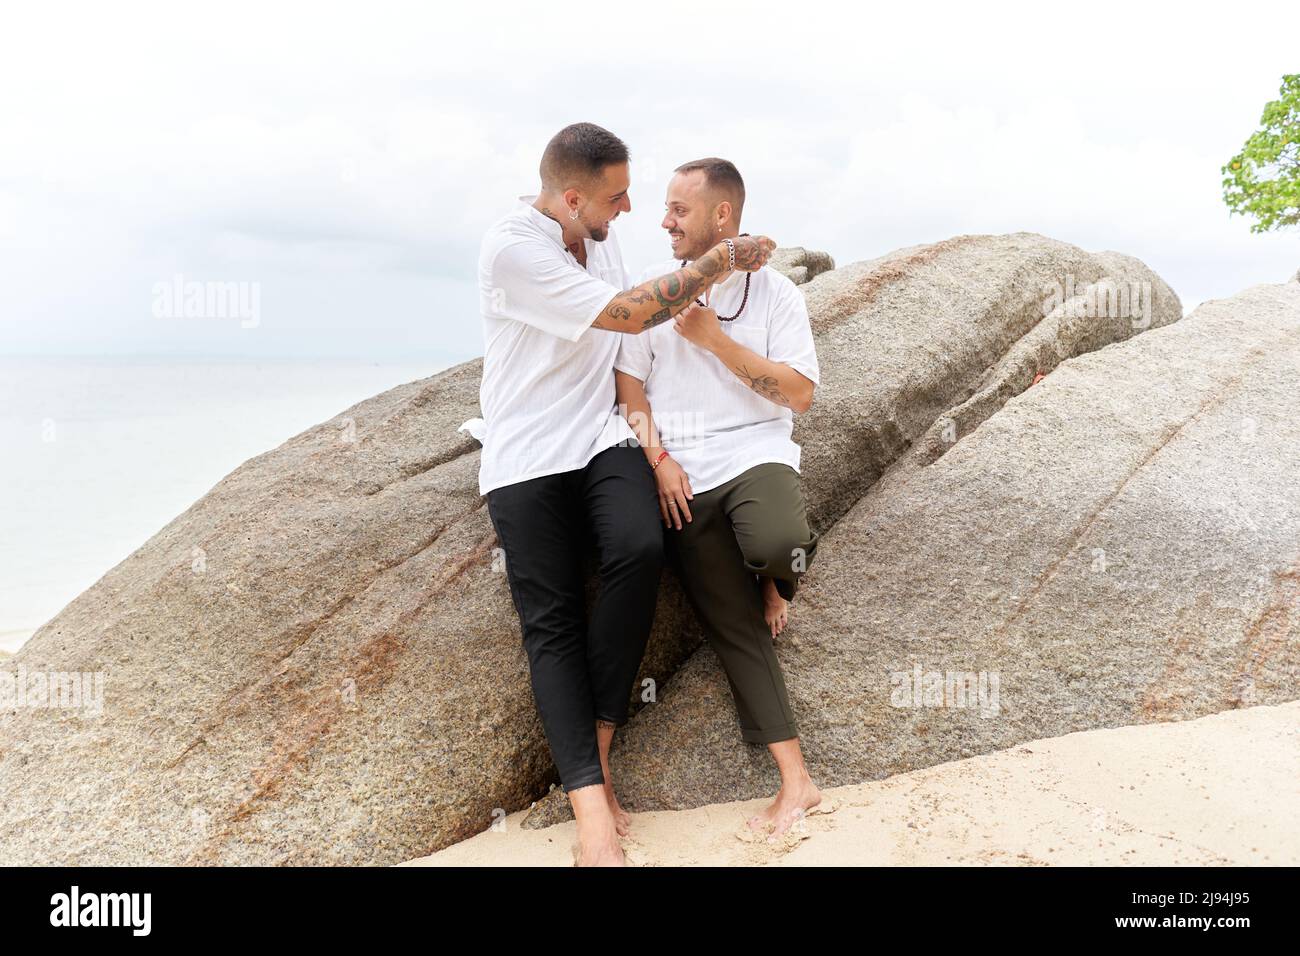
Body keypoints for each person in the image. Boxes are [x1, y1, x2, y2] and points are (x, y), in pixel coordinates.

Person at [477, 124, 776, 866]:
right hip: (526, 452)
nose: (632, 209)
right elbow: (630, 313)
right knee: (549, 620)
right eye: (617, 196)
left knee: (641, 548)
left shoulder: (596, 231)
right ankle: (592, 815)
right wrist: (718, 260)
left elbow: (640, 320)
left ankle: (602, 757)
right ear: (572, 198)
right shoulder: (515, 250)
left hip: (601, 435)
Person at [614, 157, 823, 839]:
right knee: (731, 628)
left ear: (721, 218)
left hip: (755, 452)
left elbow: (798, 395)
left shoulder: (775, 297)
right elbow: (630, 392)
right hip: (685, 474)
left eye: (679, 209)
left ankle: (775, 582)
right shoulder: (653, 298)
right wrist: (659, 459)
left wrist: (715, 341)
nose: (664, 221)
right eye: (666, 208)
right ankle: (797, 782)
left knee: (777, 543)